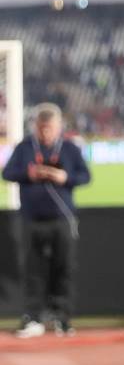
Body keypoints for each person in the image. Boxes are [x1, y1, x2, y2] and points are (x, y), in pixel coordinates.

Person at [3, 103, 91, 338]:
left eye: (50, 128)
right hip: (31, 218)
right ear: (35, 127)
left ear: (59, 127)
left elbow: (85, 176)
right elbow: (7, 173)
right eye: (42, 128)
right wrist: (28, 174)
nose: (45, 133)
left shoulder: (70, 149)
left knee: (64, 268)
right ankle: (33, 317)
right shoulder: (25, 148)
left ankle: (62, 317)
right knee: (33, 269)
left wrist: (65, 177)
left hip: (62, 218)